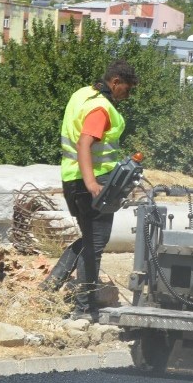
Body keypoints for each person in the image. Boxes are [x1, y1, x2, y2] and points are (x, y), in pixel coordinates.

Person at [50, 59, 138, 321]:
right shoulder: (101, 108)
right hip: (92, 184)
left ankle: (51, 284)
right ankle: (84, 310)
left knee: (90, 239)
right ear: (115, 82)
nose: (127, 95)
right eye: (127, 88)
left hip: (72, 179)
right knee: (94, 246)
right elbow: (84, 144)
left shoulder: (83, 94)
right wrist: (92, 183)